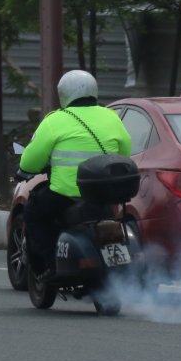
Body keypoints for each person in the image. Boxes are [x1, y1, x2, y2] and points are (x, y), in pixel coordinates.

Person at [19, 70, 132, 279]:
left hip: (65, 195)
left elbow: (29, 162)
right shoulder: (112, 117)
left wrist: (26, 169)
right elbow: (125, 154)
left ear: (63, 94)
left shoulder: (55, 120)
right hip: (103, 196)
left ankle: (50, 266)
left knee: (33, 214)